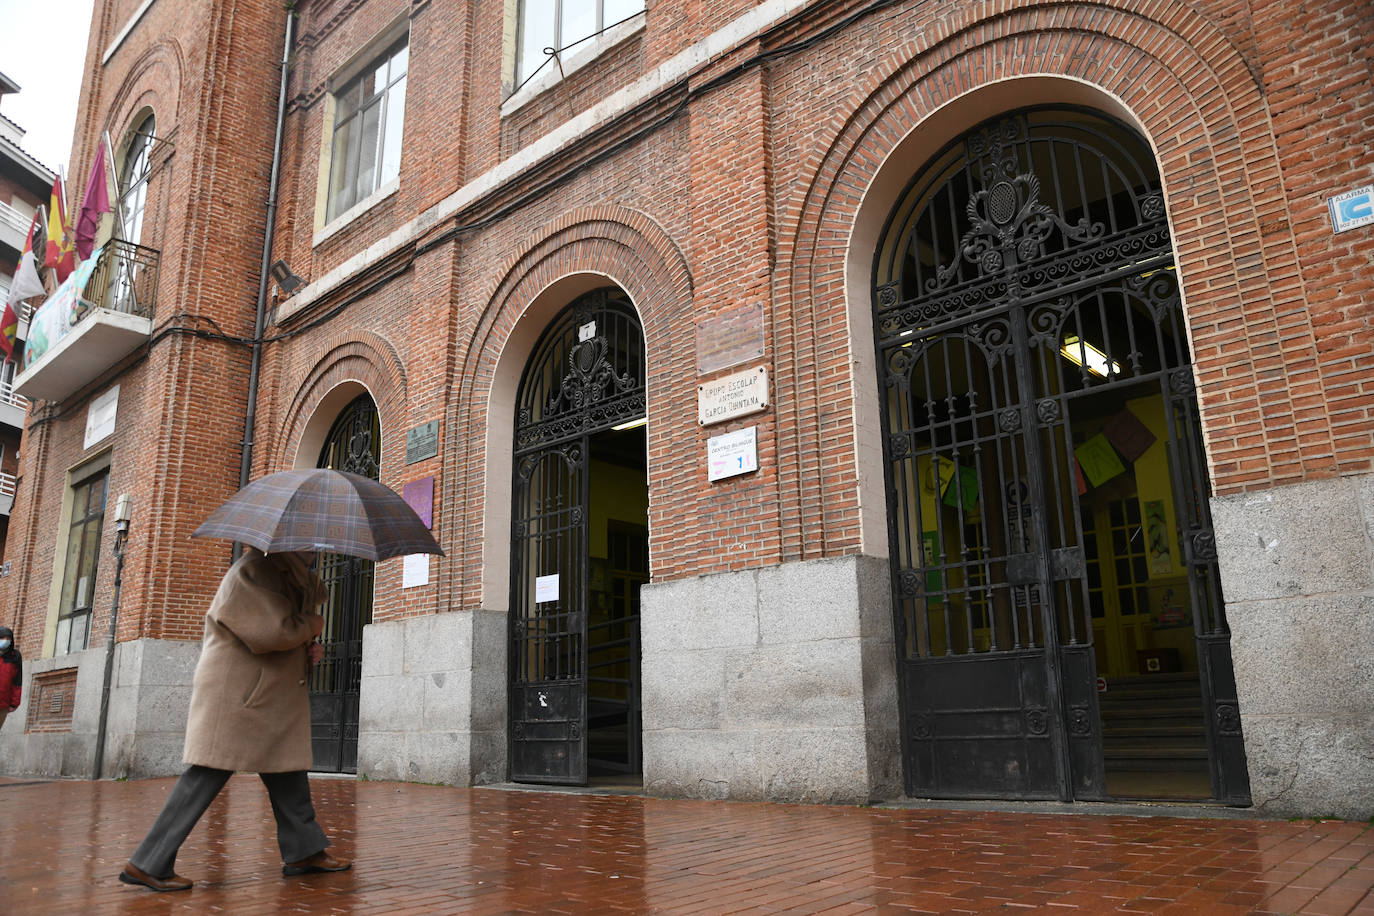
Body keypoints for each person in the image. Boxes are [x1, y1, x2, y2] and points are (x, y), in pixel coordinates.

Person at [119, 548, 351, 892]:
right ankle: (147, 862)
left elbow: (284, 635)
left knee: (287, 768)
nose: (318, 549)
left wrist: (308, 650)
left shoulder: (288, 576)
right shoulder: (256, 569)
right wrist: (312, 625)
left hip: (266, 692)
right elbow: (270, 633)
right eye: (313, 543)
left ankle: (304, 851)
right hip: (239, 693)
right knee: (208, 772)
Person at [0, 625, 21, 731]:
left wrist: (15, 702)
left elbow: (17, 681)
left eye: (8, 638)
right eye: (3, 638)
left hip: (3, 703)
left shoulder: (15, 656)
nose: (5, 641)